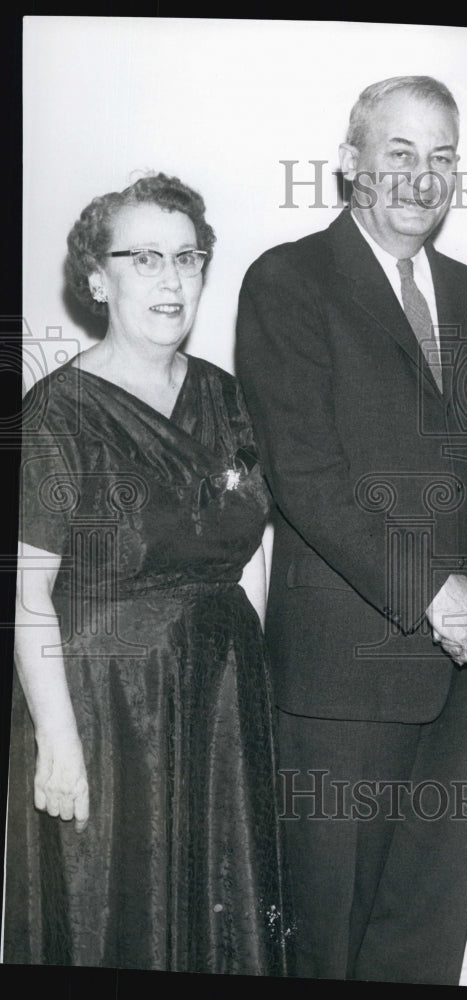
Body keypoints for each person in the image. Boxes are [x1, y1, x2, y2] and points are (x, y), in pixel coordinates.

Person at [235, 76, 467, 984]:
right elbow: (308, 476)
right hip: (338, 691)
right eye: (398, 152)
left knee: (424, 949)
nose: (420, 177)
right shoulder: (286, 279)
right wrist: (434, 594)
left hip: (455, 689)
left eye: (440, 158)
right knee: (324, 948)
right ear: (350, 162)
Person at [5, 173, 292, 975]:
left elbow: (248, 555)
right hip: (104, 711)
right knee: (114, 918)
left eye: (187, 258)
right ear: (97, 279)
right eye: (145, 260)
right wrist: (59, 744)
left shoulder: (228, 398)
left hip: (222, 704)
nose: (172, 279)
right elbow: (25, 595)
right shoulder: (57, 412)